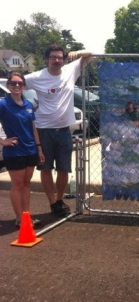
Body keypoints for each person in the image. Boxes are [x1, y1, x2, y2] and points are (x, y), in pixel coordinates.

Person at [25, 45, 92, 217]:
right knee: (46, 168)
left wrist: (79, 53)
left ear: (64, 59)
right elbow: (15, 83)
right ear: (47, 59)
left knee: (64, 169)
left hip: (64, 130)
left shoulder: (71, 69)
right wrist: (24, 107)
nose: (56, 60)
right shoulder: (36, 77)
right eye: (53, 57)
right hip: (43, 130)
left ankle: (60, 200)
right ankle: (52, 202)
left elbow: (91, 55)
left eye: (60, 57)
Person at [0, 72, 45, 227]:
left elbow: (33, 128)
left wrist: (39, 149)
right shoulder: (3, 104)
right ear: (8, 86)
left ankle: (27, 216)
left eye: (20, 83)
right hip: (14, 152)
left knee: (26, 184)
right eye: (13, 83)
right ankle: (19, 218)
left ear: (24, 86)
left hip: (30, 150)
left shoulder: (28, 105)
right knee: (17, 184)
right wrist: (2, 141)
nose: (17, 86)